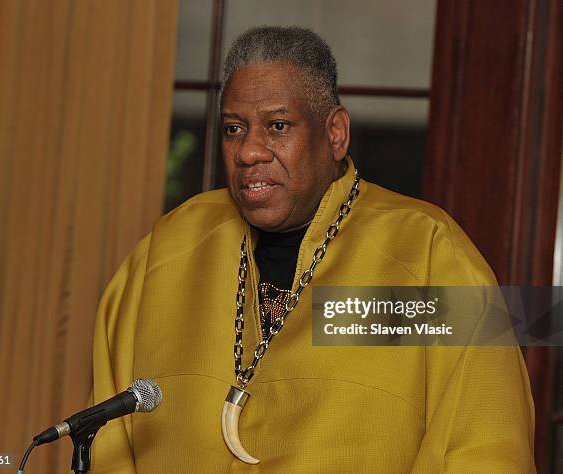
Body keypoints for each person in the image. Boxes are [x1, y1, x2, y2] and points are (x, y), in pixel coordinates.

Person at [90, 26, 535, 473]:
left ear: (336, 134)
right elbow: (108, 441)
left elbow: (485, 446)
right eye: (233, 129)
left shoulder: (427, 253)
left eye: (277, 126)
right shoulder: (166, 251)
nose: (248, 152)